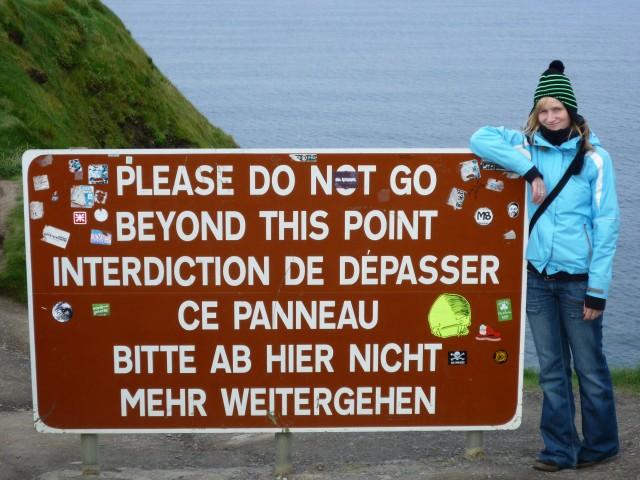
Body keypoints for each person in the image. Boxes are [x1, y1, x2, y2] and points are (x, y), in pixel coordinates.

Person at [470, 60, 620, 472]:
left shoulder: (595, 160)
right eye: (543, 110)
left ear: (572, 110)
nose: (551, 117)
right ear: (536, 113)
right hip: (537, 279)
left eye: (558, 109)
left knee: (589, 368)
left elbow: (607, 227)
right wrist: (529, 168)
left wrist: (598, 289)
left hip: (579, 283)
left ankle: (603, 443)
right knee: (552, 370)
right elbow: (479, 138)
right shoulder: (525, 146)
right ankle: (559, 449)